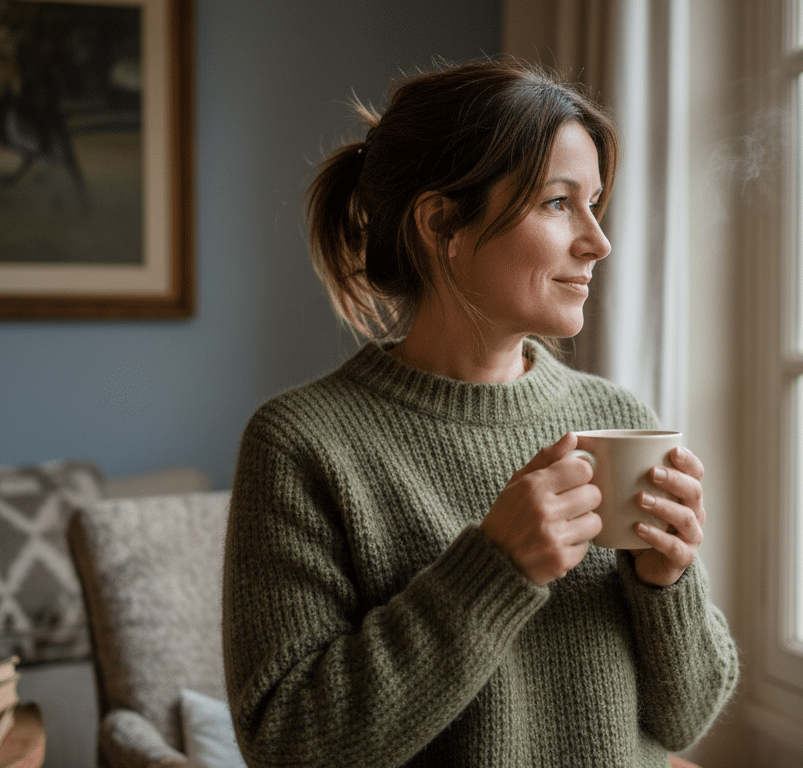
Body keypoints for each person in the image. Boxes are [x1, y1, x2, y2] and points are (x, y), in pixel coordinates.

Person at [222, 58, 738, 768]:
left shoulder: (613, 415)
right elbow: (288, 745)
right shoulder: (302, 444)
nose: (598, 240)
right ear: (442, 224)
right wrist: (495, 570)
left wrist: (666, 584)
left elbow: (684, 721)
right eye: (559, 203)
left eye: (595, 204)